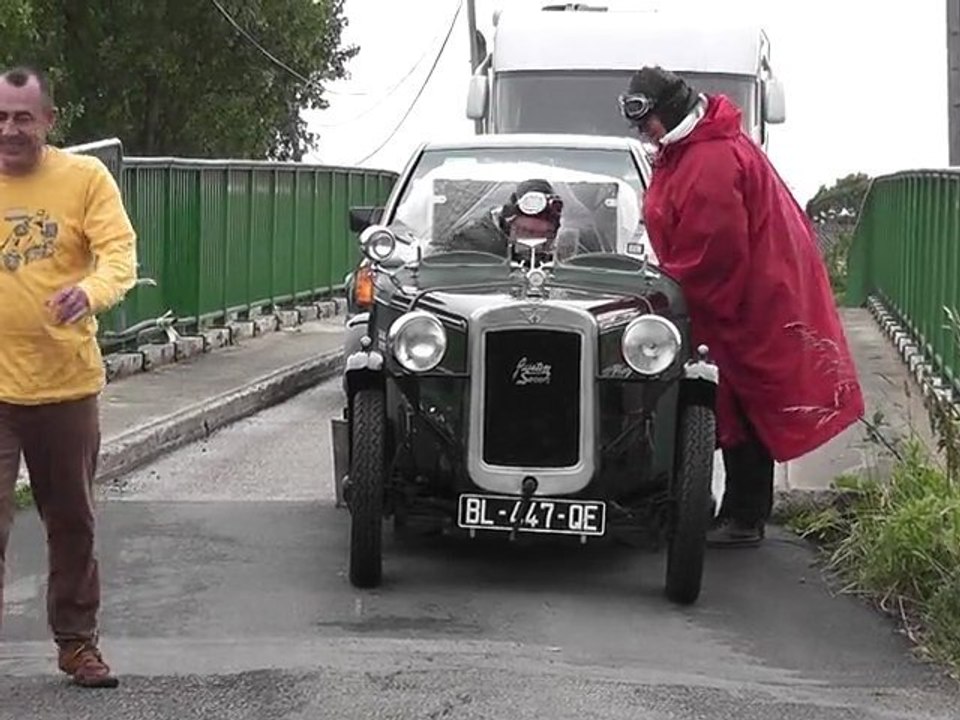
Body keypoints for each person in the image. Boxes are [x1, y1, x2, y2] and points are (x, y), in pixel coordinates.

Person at [618, 66, 865, 547]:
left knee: (742, 401)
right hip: (751, 290)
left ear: (668, 112)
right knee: (739, 400)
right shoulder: (705, 145)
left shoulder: (708, 160)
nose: (643, 131)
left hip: (746, 301)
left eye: (646, 121)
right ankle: (736, 509)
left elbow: (714, 252)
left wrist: (668, 302)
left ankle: (744, 514)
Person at [0, 65, 137, 686]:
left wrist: (89, 292)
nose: (10, 130)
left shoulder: (84, 179)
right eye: (1, 117)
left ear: (48, 121)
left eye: (23, 118)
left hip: (65, 386)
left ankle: (78, 645)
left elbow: (119, 256)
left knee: (72, 523)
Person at [445, 178, 564, 256]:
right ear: (508, 225)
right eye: (526, 232)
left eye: (545, 234)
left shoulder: (566, 250)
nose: (534, 242)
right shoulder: (474, 243)